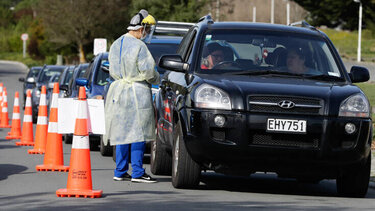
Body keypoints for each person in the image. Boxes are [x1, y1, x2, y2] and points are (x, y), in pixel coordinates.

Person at [105, 9, 159, 183]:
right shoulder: (139, 46)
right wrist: (157, 79)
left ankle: (120, 170)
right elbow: (149, 71)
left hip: (118, 91)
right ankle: (137, 172)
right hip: (137, 92)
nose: (148, 33)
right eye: (147, 29)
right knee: (139, 132)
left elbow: (112, 68)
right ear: (141, 28)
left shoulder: (116, 43)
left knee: (122, 132)